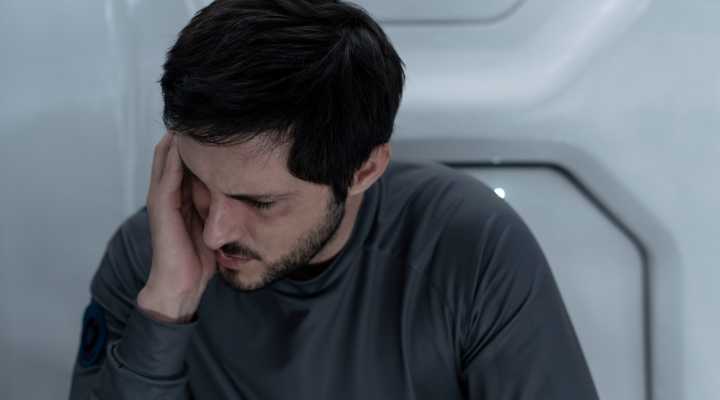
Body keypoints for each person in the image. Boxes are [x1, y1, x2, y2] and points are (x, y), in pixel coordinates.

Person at [68, 0, 599, 398]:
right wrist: (166, 310)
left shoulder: (471, 248)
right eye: (199, 180)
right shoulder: (150, 256)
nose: (214, 231)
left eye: (261, 202)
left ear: (363, 170)